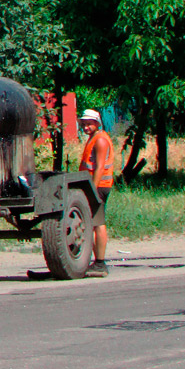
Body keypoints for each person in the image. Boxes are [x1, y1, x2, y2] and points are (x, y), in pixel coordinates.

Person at [78, 108, 114, 277]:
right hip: (97, 186)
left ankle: (100, 263)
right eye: (83, 124)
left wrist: (92, 189)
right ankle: (94, 261)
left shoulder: (100, 140)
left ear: (97, 123)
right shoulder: (94, 138)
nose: (85, 127)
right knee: (92, 223)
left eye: (89, 124)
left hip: (99, 186)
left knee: (97, 222)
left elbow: (99, 167)